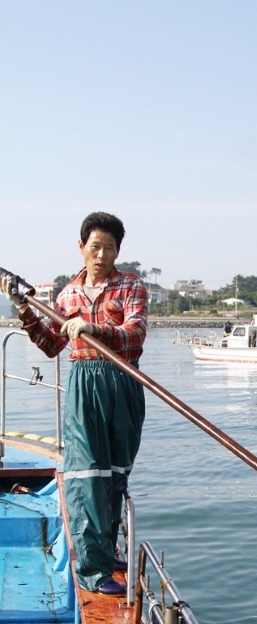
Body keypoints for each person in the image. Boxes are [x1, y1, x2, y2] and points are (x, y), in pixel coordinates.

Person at [0, 212, 147, 596]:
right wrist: (22, 307)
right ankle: (92, 571)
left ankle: (105, 551)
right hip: (85, 383)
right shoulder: (67, 295)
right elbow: (51, 345)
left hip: (124, 380)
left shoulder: (131, 285)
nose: (102, 255)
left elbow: (135, 333)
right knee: (87, 475)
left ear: (118, 251)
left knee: (116, 473)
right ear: (81, 247)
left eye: (110, 248)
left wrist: (92, 328)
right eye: (95, 246)